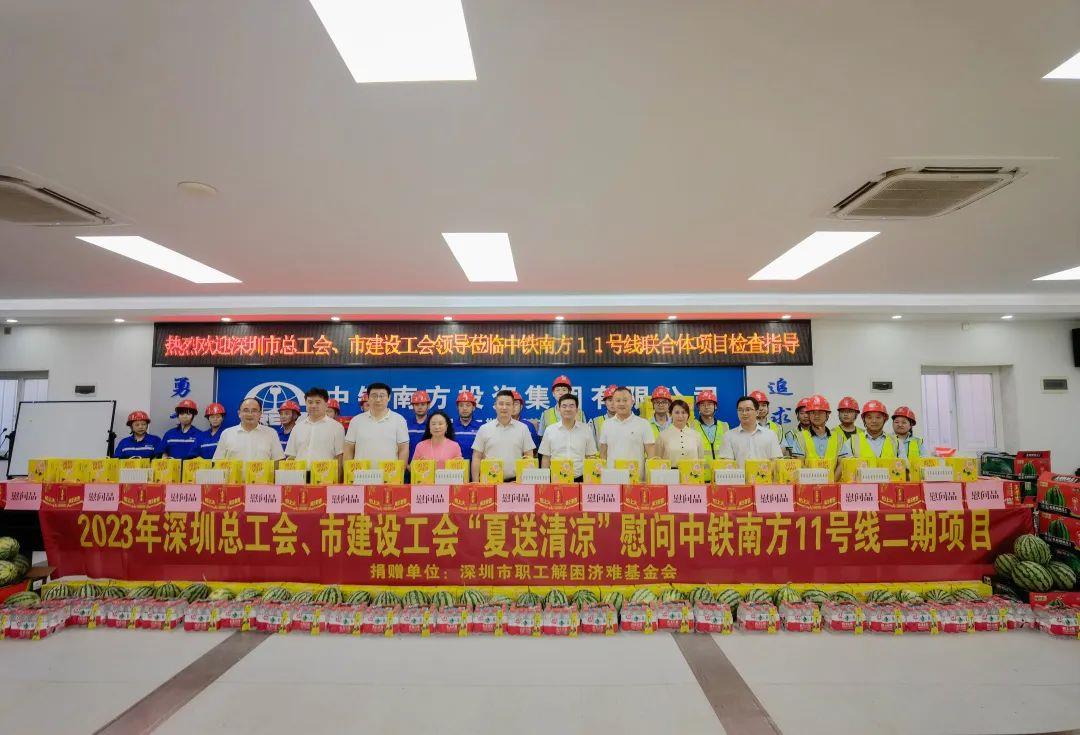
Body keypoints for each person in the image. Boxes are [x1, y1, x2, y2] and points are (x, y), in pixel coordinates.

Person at [471, 389, 535, 481]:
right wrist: (476, 483)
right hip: (489, 481)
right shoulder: (484, 429)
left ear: (513, 407)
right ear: (495, 406)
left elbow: (529, 456)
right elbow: (477, 457)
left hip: (516, 482)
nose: (504, 407)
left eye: (508, 404)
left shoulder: (523, 428)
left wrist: (526, 481)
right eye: (501, 404)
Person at [344, 382, 409, 464]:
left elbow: (403, 449)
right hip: (361, 471)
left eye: (382, 396)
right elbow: (349, 449)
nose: (378, 399)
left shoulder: (399, 420)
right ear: (368, 398)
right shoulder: (356, 420)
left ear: (389, 398)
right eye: (374, 396)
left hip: (390, 471)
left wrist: (400, 470)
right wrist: (348, 470)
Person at [539, 393, 597, 481]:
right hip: (556, 479)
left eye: (571, 406)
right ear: (559, 409)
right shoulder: (550, 430)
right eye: (564, 406)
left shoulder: (586, 429)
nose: (568, 409)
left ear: (577, 409)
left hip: (580, 478)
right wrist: (544, 481)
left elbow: (591, 456)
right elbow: (546, 458)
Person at [788, 395, 851, 475]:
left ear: (827, 415)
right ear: (809, 415)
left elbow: (841, 463)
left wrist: (832, 481)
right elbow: (800, 463)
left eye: (820, 412)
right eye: (813, 412)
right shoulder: (800, 437)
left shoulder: (838, 437)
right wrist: (812, 480)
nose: (816, 416)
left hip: (832, 482)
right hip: (807, 482)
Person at [213, 398, 286, 462]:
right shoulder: (226, 434)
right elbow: (217, 462)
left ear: (260, 414)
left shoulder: (271, 433)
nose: (250, 414)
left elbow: (278, 461)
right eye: (246, 410)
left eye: (254, 410)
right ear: (239, 413)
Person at [598, 386, 656, 468]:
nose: (621, 404)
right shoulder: (606, 424)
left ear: (632, 402)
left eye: (625, 400)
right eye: (618, 400)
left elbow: (651, 454)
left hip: (636, 475)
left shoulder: (643, 424)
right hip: (612, 475)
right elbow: (603, 453)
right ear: (613, 403)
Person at [718, 395, 784, 464]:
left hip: (764, 471)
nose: (744, 413)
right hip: (740, 471)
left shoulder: (770, 435)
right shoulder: (728, 436)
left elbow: (776, 462)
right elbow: (727, 464)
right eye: (740, 410)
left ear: (757, 412)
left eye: (748, 409)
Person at [284, 387, 345, 462]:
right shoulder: (297, 428)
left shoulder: (336, 427)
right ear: (306, 404)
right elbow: (291, 456)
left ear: (326, 405)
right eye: (310, 402)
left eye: (317, 402)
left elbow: (340, 456)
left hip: (326, 469)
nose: (313, 406)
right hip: (300, 469)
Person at [693, 390, 729, 460]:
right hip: (701, 466)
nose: (706, 407)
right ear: (698, 407)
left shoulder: (724, 426)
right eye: (703, 404)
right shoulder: (692, 426)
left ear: (715, 406)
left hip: (721, 466)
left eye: (709, 404)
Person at [451, 390, 482, 462]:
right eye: (461, 405)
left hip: (476, 467)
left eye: (468, 405)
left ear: (473, 407)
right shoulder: (450, 427)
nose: (464, 408)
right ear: (457, 408)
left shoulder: (481, 428)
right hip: (455, 467)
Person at [405, 389, 431, 458]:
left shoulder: (433, 424)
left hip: (429, 463)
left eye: (423, 404)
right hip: (409, 463)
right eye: (416, 404)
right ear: (413, 406)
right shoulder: (405, 424)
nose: (420, 407)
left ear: (428, 405)